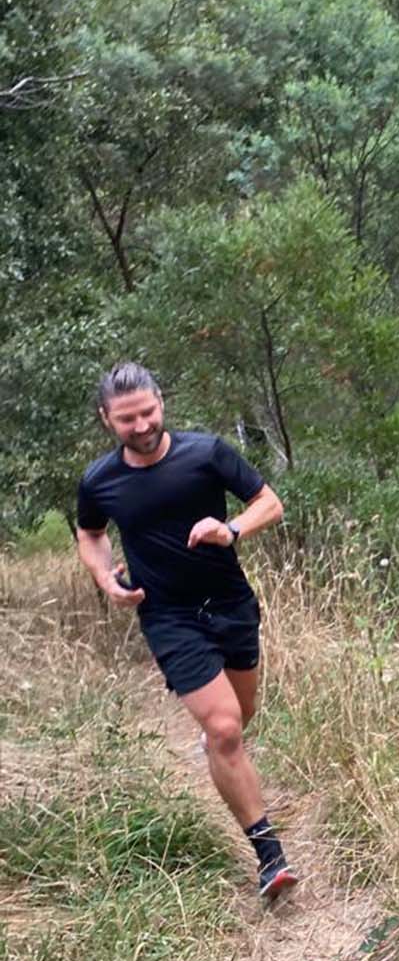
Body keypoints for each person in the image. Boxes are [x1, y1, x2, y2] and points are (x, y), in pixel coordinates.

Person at [75, 361, 298, 900]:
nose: (141, 425)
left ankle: (220, 749)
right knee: (225, 729)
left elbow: (269, 501)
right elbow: (90, 532)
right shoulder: (99, 481)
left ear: (161, 404)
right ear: (108, 419)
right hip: (168, 615)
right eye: (127, 419)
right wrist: (106, 578)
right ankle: (270, 857)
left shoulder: (207, 453)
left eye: (148, 411)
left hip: (230, 603)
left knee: (240, 719)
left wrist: (232, 528)